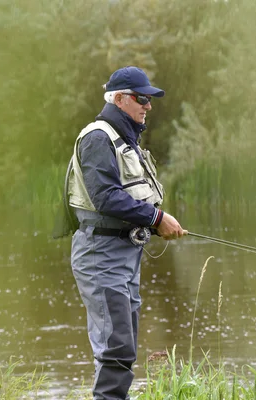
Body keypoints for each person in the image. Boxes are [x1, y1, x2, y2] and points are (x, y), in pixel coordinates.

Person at [68, 66, 185, 400]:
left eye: (149, 100)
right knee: (115, 347)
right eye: (141, 98)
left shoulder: (124, 139)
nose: (147, 106)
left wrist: (154, 222)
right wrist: (156, 217)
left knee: (123, 344)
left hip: (123, 255)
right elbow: (105, 196)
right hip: (100, 256)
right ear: (118, 99)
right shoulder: (97, 137)